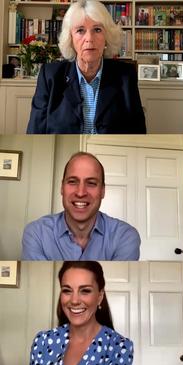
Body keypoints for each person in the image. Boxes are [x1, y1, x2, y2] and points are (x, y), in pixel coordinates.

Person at [27, 0, 146, 134]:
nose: (89, 38)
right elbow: (35, 131)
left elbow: (138, 131)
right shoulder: (50, 76)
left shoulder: (126, 76)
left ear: (107, 36)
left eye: (97, 29)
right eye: (80, 30)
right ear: (70, 38)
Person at [22, 152, 140, 260]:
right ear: (62, 188)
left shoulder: (125, 237)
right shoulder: (36, 233)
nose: (80, 192)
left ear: (103, 191)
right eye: (73, 181)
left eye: (91, 183)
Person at [30, 261, 134, 365]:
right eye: (67, 290)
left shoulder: (120, 347)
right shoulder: (42, 341)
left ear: (100, 296)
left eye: (85, 291)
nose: (74, 301)